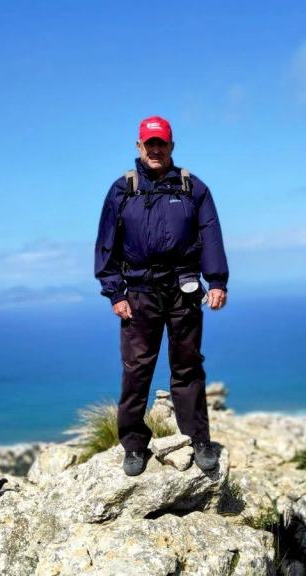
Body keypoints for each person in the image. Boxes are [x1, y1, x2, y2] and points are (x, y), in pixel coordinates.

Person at [94, 115, 229, 476]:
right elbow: (106, 243)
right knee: (137, 369)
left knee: (187, 366)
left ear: (171, 146)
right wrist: (114, 292)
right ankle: (134, 445)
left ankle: (198, 440)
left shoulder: (192, 188)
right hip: (138, 292)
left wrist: (216, 282)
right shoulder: (123, 189)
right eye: (149, 143)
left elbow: (210, 233)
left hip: (183, 289)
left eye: (161, 143)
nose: (155, 149)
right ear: (139, 146)